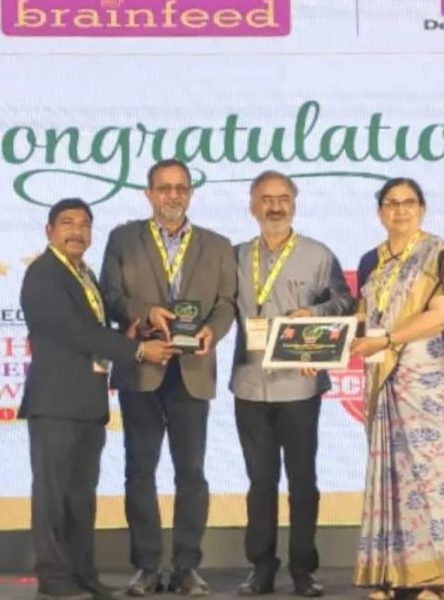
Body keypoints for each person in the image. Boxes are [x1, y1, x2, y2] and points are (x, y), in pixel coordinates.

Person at [20, 198, 174, 600]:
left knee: (81, 499)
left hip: (87, 403)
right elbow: (76, 332)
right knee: (53, 498)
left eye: (85, 224)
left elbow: (97, 330)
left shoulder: (84, 274)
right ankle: (54, 580)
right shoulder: (44, 273)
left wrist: (132, 333)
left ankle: (84, 575)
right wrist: (137, 351)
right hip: (56, 403)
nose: (77, 231)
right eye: (67, 223)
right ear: (49, 230)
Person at [100, 159, 237, 597]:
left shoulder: (217, 245)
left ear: (190, 193)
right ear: (149, 194)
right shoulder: (123, 239)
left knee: (191, 473)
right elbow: (110, 295)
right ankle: (146, 567)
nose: (172, 195)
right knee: (140, 471)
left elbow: (226, 303)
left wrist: (212, 331)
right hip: (142, 366)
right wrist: (144, 314)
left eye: (180, 187)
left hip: (192, 370)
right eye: (163, 188)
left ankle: (186, 567)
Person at [351, 178, 444, 600]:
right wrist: (316, 349)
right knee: (389, 478)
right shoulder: (371, 260)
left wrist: (390, 339)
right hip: (383, 379)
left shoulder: (437, 252)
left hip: (426, 380)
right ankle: (390, 576)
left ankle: (438, 580)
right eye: (391, 203)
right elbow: (362, 322)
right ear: (380, 213)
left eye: (408, 202)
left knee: (431, 479)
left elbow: (443, 314)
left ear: (422, 209)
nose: (400, 210)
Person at [230, 170, 354, 597]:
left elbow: (345, 303)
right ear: (252, 205)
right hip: (250, 385)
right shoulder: (234, 256)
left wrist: (313, 316)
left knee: (303, 481)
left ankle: (304, 570)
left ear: (294, 204)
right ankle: (261, 568)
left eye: (283, 198)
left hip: (301, 386)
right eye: (266, 199)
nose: (275, 206)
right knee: (260, 483)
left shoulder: (318, 254)